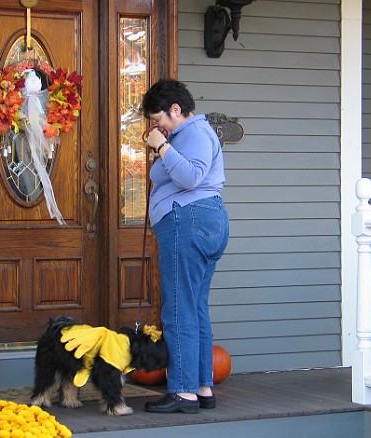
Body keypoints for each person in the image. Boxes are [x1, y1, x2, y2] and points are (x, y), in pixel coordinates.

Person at [141, 79, 229, 414]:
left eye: (158, 118)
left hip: (187, 222)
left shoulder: (192, 132)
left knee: (178, 308)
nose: (156, 126)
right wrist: (165, 148)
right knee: (195, 307)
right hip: (205, 220)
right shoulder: (192, 135)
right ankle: (202, 386)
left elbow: (191, 176)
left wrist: (162, 147)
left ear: (175, 110)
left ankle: (183, 392)